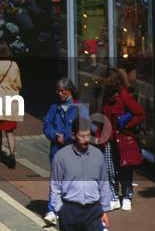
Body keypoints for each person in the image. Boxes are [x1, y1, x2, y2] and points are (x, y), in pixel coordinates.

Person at [48, 116, 113, 231]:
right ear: (73, 135)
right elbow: (55, 186)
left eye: (88, 135)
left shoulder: (98, 155)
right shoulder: (61, 157)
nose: (86, 139)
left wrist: (105, 211)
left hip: (93, 212)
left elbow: (104, 184)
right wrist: (59, 209)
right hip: (70, 211)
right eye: (82, 136)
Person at [43, 79, 90, 225]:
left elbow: (85, 127)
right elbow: (46, 125)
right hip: (56, 150)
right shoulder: (54, 107)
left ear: (70, 91)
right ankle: (52, 210)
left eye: (63, 91)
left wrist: (68, 136)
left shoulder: (80, 107)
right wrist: (54, 135)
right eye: (58, 90)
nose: (60, 93)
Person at [101, 67, 145, 211]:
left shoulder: (124, 95)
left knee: (125, 169)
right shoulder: (106, 97)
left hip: (122, 138)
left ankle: (127, 196)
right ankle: (114, 197)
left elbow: (140, 113)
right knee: (109, 168)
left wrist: (127, 125)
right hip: (109, 138)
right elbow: (103, 118)